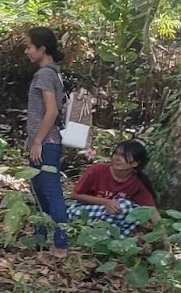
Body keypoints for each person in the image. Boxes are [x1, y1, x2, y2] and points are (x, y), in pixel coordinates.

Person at [24, 26, 71, 258]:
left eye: (29, 47)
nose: (27, 51)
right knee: (39, 193)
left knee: (51, 193)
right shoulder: (53, 73)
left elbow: (51, 112)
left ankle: (60, 244)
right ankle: (40, 239)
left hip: (46, 143)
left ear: (42, 49)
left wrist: (38, 141)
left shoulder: (45, 75)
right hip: (46, 142)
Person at [69, 140, 159, 238]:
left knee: (135, 211)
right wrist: (105, 202)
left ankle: (109, 238)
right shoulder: (97, 170)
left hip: (110, 218)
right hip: (82, 212)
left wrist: (165, 239)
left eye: (123, 156)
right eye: (116, 153)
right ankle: (103, 237)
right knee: (124, 205)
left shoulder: (137, 182)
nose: (117, 158)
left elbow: (151, 210)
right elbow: (75, 195)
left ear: (135, 163)